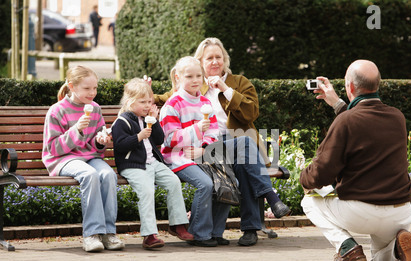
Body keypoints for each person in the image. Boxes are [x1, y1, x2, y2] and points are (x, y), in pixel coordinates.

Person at [154, 37, 291, 246]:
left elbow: (251, 113)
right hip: (209, 148)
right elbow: (166, 99)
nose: (215, 62)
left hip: (234, 143)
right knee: (243, 155)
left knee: (245, 156)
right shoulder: (194, 86)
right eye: (209, 58)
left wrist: (225, 89)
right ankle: (270, 199)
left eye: (219, 57)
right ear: (200, 61)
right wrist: (143, 94)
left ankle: (250, 229)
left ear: (225, 59)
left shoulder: (239, 83)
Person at [300, 59, 411, 261]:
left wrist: (304, 179)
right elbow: (365, 124)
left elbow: (321, 173)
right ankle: (397, 249)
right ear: (378, 85)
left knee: (309, 202)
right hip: (400, 212)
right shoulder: (397, 117)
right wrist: (338, 104)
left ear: (349, 87)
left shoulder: (346, 121)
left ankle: (348, 249)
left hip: (361, 211)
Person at [42, 65, 124, 252]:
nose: (92, 93)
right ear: (71, 86)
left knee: (108, 175)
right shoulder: (57, 111)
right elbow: (53, 149)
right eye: (87, 89)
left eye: (95, 88)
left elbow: (96, 146)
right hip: (62, 160)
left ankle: (108, 233)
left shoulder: (95, 109)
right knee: (89, 175)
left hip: (88, 157)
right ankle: (91, 235)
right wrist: (77, 130)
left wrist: (101, 140)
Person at [111, 78, 194, 249]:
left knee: (173, 182)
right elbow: (120, 146)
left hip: (153, 163)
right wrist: (138, 137)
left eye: (150, 101)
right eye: (142, 102)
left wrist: (154, 121)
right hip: (133, 165)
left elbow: (158, 140)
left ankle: (178, 224)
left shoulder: (147, 118)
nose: (148, 105)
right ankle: (149, 235)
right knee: (147, 191)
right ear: (129, 102)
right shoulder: (122, 121)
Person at [159, 56, 231, 247]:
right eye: (189, 76)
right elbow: (169, 139)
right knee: (205, 184)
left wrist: (203, 148)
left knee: (229, 182)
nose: (195, 80)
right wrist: (197, 129)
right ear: (178, 77)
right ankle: (199, 233)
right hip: (177, 158)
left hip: (201, 154)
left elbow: (214, 132)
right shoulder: (173, 105)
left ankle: (215, 232)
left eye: (198, 75)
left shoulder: (205, 103)